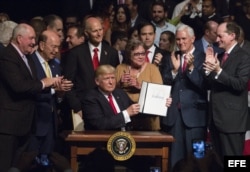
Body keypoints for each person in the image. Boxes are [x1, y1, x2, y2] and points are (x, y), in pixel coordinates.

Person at [0, 23, 62, 172]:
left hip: (26, 123)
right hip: (10, 124)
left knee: (18, 166)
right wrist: (43, 83)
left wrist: (53, 89)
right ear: (19, 38)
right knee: (5, 165)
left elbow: (31, 85)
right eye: (31, 38)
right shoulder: (7, 56)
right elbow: (19, 86)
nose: (34, 42)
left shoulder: (25, 57)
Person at [160, 24, 208, 171]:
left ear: (193, 39)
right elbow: (164, 82)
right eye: (178, 39)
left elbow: (203, 84)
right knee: (175, 158)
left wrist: (191, 69)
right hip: (174, 117)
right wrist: (174, 71)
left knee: (198, 157)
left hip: (195, 117)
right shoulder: (171, 57)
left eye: (184, 38)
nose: (180, 42)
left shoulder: (203, 57)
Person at [203, 21, 250, 160]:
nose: (217, 39)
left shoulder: (244, 57)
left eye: (220, 36)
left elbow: (240, 84)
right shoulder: (220, 55)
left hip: (232, 123)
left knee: (233, 161)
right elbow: (210, 84)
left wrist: (218, 70)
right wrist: (208, 68)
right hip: (216, 121)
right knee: (218, 163)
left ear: (232, 36)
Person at [62, 16, 119, 130]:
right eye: (94, 31)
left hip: (106, 110)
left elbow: (114, 82)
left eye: (100, 30)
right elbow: (68, 85)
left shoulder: (112, 53)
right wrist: (77, 108)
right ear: (86, 33)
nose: (99, 34)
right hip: (82, 109)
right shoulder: (75, 54)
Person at [28, 30, 73, 166]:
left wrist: (60, 93)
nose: (56, 50)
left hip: (51, 123)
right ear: (41, 45)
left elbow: (57, 97)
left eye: (58, 47)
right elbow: (30, 90)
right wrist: (54, 90)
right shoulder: (30, 63)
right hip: (35, 121)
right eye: (53, 46)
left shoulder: (55, 65)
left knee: (48, 163)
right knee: (31, 162)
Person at [115, 39, 164, 131]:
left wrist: (141, 87)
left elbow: (160, 93)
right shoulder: (120, 68)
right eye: (137, 54)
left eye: (143, 53)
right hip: (126, 114)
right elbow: (110, 92)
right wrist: (120, 83)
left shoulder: (152, 69)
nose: (141, 57)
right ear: (129, 55)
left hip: (148, 117)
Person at [82, 64, 140, 130]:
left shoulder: (120, 93)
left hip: (127, 136)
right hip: (104, 138)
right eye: (106, 78)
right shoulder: (90, 98)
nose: (111, 82)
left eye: (113, 78)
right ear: (97, 81)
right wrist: (126, 113)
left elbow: (135, 111)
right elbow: (100, 124)